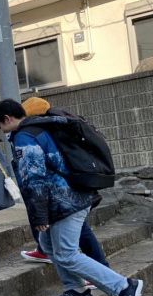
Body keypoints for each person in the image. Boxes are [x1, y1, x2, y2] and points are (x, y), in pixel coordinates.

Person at [0, 99, 143, 296]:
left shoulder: (25, 136)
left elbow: (33, 177)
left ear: (7, 118)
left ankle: (124, 286)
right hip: (73, 194)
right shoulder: (43, 127)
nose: (3, 132)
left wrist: (39, 215)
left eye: (0, 126)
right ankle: (77, 289)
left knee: (67, 253)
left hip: (63, 201)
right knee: (48, 245)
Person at [18, 97, 109, 286]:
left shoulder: (36, 133)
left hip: (63, 193)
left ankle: (110, 278)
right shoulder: (56, 126)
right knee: (68, 233)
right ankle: (77, 281)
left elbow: (36, 175)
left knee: (72, 245)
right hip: (72, 188)